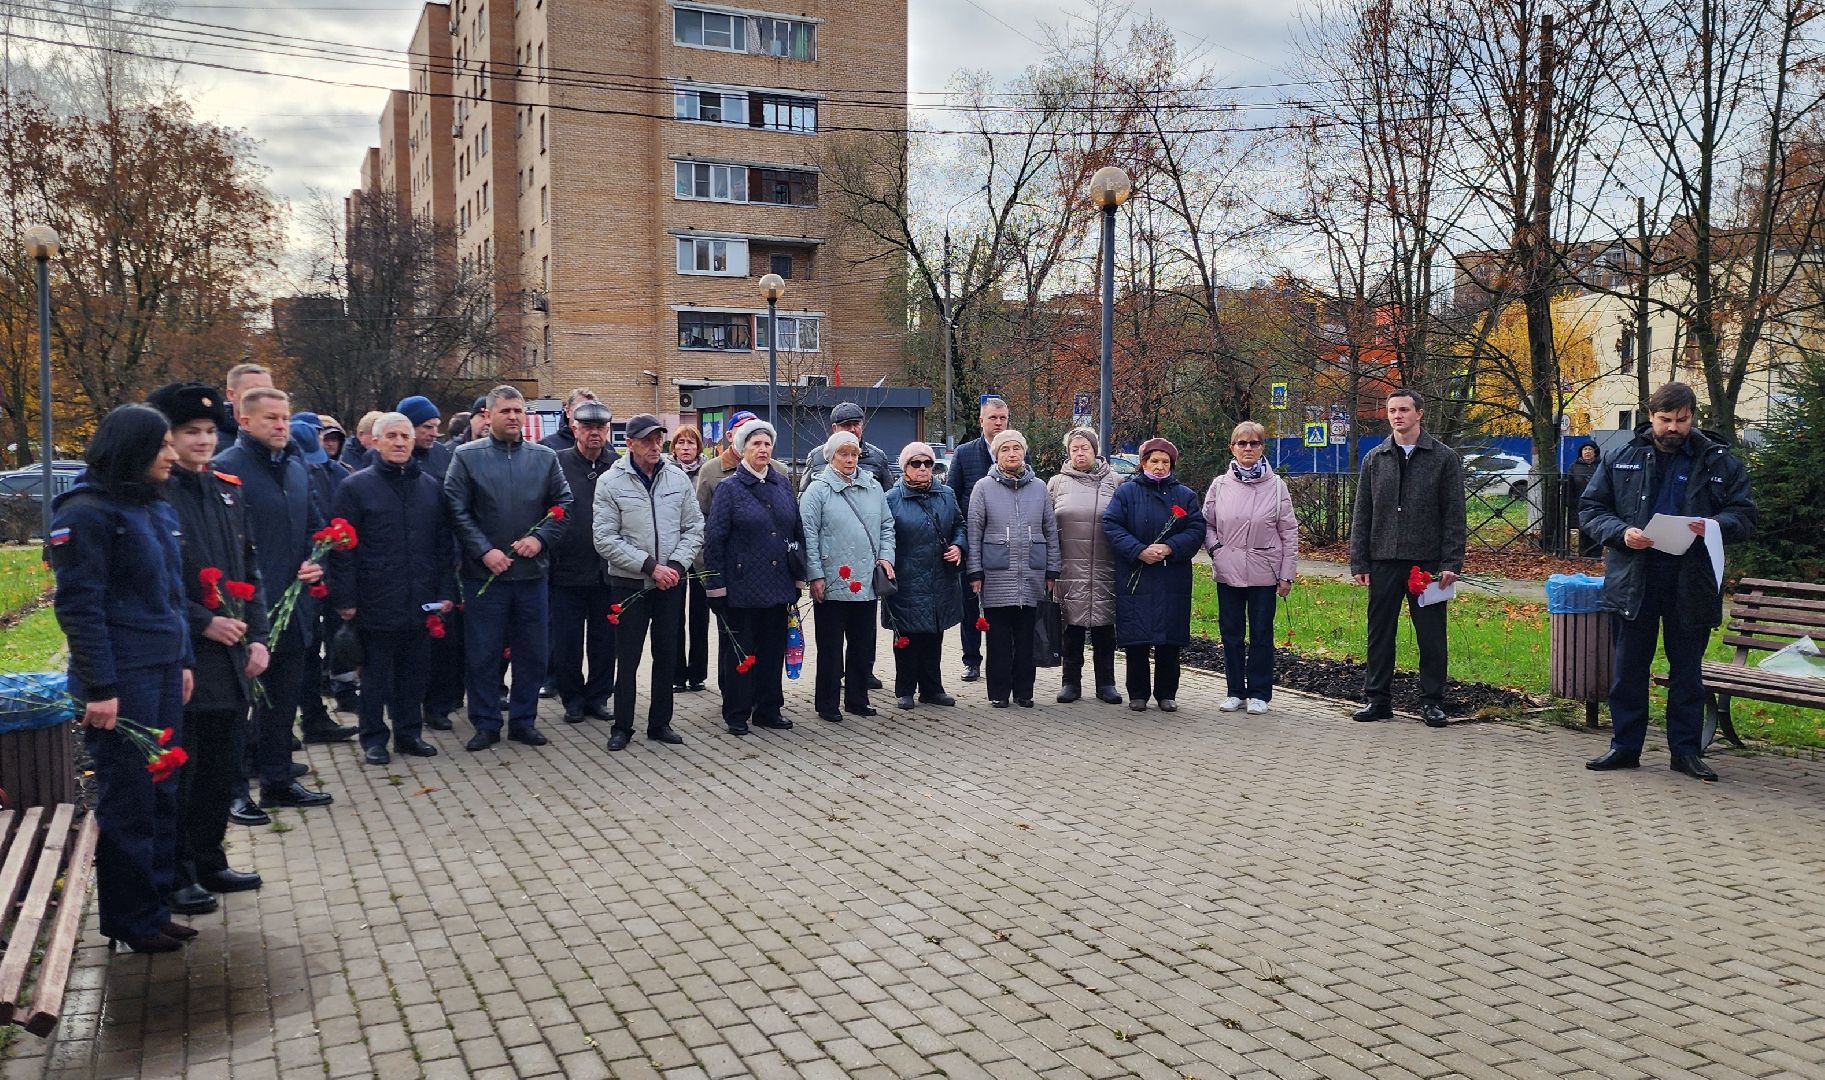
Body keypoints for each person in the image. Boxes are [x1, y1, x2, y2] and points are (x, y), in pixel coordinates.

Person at [49, 405, 195, 952]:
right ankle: (129, 921)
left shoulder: (152, 508)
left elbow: (172, 597)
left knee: (161, 789)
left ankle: (155, 907)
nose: (171, 454)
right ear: (132, 449)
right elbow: (80, 608)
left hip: (160, 670)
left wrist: (182, 660)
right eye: (161, 445)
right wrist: (101, 688)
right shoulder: (87, 513)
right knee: (128, 799)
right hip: (122, 680)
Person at [1580, 382, 1756, 782]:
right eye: (1665, 420)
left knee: (1687, 671)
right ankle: (1624, 747)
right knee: (1628, 668)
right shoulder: (1622, 455)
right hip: (1634, 575)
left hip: (1691, 577)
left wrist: (1711, 525)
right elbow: (1591, 508)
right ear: (1651, 415)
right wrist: (1621, 532)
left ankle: (1686, 752)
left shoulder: (1718, 460)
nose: (1673, 428)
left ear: (1693, 417)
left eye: (1682, 420)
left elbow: (1744, 515)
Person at [148, 383, 269, 914]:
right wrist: (203, 623)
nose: (202, 441)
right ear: (167, 438)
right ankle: (176, 870)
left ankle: (210, 855)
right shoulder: (156, 493)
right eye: (189, 432)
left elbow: (249, 569)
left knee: (223, 763)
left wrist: (259, 636)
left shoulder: (225, 488)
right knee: (186, 767)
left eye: (208, 432)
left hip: (232, 653)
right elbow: (156, 583)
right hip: (188, 653)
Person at [213, 386, 335, 809]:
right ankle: (232, 793)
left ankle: (278, 781)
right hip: (245, 609)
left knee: (282, 702)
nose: (282, 425)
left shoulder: (297, 465)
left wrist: (315, 560)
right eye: (271, 418)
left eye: (285, 417)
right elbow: (221, 542)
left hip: (295, 606)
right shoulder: (226, 469)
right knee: (237, 706)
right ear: (244, 421)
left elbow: (313, 525)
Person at [444, 386, 572, 751]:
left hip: (532, 576)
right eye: (505, 411)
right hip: (485, 577)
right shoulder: (468, 458)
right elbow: (456, 509)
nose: (513, 417)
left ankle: (523, 720)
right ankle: (485, 723)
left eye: (518, 410)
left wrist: (541, 539)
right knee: (483, 653)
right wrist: (483, 551)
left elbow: (563, 503)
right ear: (488, 414)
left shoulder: (544, 458)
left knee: (531, 653)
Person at [328, 412, 455, 765]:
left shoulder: (430, 487)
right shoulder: (355, 488)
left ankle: (409, 734)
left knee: (414, 674)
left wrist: (446, 591)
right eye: (392, 436)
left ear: (413, 442)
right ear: (377, 441)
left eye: (405, 437)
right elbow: (341, 547)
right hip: (375, 598)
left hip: (422, 599)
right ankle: (373, 738)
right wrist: (346, 598)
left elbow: (444, 545)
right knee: (376, 676)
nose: (399, 443)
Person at [1348, 388, 1467, 727]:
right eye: (1391, 410)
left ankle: (1431, 701)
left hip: (1427, 564)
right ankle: (1378, 699)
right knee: (1380, 632)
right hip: (1383, 559)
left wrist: (1451, 563)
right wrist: (1359, 561)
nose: (1397, 415)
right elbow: (1362, 513)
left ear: (1419, 414)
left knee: (1431, 635)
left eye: (1403, 409)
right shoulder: (1376, 458)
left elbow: (1454, 514)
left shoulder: (1443, 458)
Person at [593, 413, 704, 749]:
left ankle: (660, 723)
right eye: (647, 440)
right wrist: (650, 566)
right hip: (630, 584)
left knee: (666, 654)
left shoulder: (677, 478)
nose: (656, 445)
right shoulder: (611, 482)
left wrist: (675, 564)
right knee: (627, 658)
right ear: (629, 444)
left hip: (671, 582)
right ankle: (622, 726)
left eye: (659, 438)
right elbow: (604, 538)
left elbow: (694, 527)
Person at [702, 419, 805, 734]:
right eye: (755, 444)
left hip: (778, 585)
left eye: (767, 444)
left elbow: (796, 530)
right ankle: (737, 712)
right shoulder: (729, 488)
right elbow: (714, 539)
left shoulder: (782, 483)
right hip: (741, 587)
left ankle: (768, 709)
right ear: (743, 449)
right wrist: (715, 586)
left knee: (773, 650)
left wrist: (799, 576)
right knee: (741, 652)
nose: (763, 449)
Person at [1103, 438, 1205, 712]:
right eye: (1154, 461)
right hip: (1136, 572)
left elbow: (1196, 529)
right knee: (1137, 635)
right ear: (1143, 463)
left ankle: (1166, 693)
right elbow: (1112, 525)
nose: (1159, 467)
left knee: (1169, 638)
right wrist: (1138, 550)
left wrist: (1170, 547)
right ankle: (1137, 693)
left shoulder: (1185, 495)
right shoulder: (1127, 492)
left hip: (1171, 574)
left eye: (1165, 462)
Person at [801, 430, 897, 721]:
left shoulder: (872, 487)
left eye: (854, 453)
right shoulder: (817, 490)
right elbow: (808, 536)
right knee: (830, 647)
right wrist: (815, 575)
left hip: (866, 577)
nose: (850, 459)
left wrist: (885, 557)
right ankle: (827, 702)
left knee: (862, 644)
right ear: (831, 456)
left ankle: (857, 698)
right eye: (844, 453)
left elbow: (886, 527)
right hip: (832, 580)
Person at [1203, 421, 1298, 714]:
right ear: (1232, 447)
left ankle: (1259, 692)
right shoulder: (1220, 484)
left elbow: (1289, 531)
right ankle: (1235, 691)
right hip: (1228, 570)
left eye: (1254, 443)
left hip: (1264, 571)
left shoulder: (1276, 486)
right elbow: (1206, 523)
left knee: (1261, 633)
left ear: (1261, 448)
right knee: (1230, 633)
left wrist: (1286, 574)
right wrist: (1216, 550)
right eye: (1241, 443)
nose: (1248, 448)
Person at [967, 429, 1060, 709]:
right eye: (1005, 449)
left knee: (1026, 638)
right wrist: (975, 572)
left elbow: (1050, 530)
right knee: (997, 640)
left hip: (1032, 573)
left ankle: (1024, 692)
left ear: (1024, 452)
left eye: (1016, 449)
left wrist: (1052, 569)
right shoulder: (983, 487)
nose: (1011, 454)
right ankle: (998, 692)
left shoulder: (1039, 487)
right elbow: (974, 532)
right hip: (996, 574)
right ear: (996, 454)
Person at [290, 413, 361, 729]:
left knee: (336, 636)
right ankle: (306, 713)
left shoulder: (340, 473)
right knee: (303, 649)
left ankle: (336, 695)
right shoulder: (291, 475)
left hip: (333, 566)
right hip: (299, 576)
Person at [550, 401, 618, 724]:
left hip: (608, 571)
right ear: (574, 428)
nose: (595, 433)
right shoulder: (557, 464)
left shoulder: (618, 465)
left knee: (605, 641)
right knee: (567, 641)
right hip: (567, 569)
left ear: (607, 430)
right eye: (588, 427)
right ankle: (572, 699)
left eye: (600, 428)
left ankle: (599, 696)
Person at [884, 441, 964, 710]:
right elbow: (884, 535)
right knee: (906, 635)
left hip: (939, 576)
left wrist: (958, 546)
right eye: (915, 463)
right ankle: (904, 689)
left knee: (934, 634)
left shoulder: (947, 494)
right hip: (906, 576)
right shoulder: (891, 498)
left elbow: (960, 525)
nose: (922, 468)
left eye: (928, 463)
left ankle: (932, 689)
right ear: (904, 467)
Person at [1047, 427, 1122, 705]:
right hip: (1069, 569)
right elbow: (1046, 527)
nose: (1080, 453)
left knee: (1105, 629)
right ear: (1068, 453)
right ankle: (1070, 682)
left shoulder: (1116, 481)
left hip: (1106, 567)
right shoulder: (1056, 484)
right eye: (1074, 449)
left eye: (1085, 448)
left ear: (1095, 450)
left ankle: (1106, 683)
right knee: (1071, 629)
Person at [949, 396, 1010, 682]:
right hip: (972, 542)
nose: (998, 423)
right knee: (970, 603)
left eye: (1003, 418)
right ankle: (971, 660)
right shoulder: (964, 453)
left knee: (1000, 603)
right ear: (981, 421)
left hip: (1005, 543)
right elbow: (951, 495)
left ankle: (1000, 660)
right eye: (993, 418)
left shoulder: (1016, 450)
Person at [668, 424, 712, 693]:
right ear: (673, 448)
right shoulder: (666, 473)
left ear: (698, 447)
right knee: (674, 616)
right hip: (674, 554)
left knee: (700, 616)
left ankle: (697, 674)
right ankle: (676, 674)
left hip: (701, 554)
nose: (686, 448)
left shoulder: (706, 472)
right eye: (681, 443)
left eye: (691, 443)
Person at [798, 401, 893, 492]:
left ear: (862, 426)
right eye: (846, 425)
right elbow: (804, 495)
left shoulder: (878, 458)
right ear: (834, 428)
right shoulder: (816, 457)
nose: (852, 429)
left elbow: (887, 497)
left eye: (856, 424)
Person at [214, 362, 272, 454]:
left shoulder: (285, 441)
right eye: (254, 391)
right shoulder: (210, 441)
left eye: (269, 391)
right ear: (231, 394)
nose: (264, 397)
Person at [399, 395, 454, 484]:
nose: (434, 434)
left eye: (436, 426)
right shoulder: (390, 456)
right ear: (409, 427)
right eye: (428, 427)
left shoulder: (443, 453)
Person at [540, 387, 599, 453]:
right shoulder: (547, 446)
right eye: (580, 410)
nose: (585, 415)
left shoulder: (602, 445)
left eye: (589, 411)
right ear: (568, 412)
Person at [1569, 442, 1602, 557]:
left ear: (1595, 452)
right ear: (1581, 452)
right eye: (1585, 449)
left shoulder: (1601, 466)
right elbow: (1570, 486)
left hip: (1598, 502)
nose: (1587, 452)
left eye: (1590, 449)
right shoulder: (1574, 466)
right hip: (1580, 502)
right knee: (1582, 528)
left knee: (1597, 527)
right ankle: (1583, 553)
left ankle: (1596, 554)